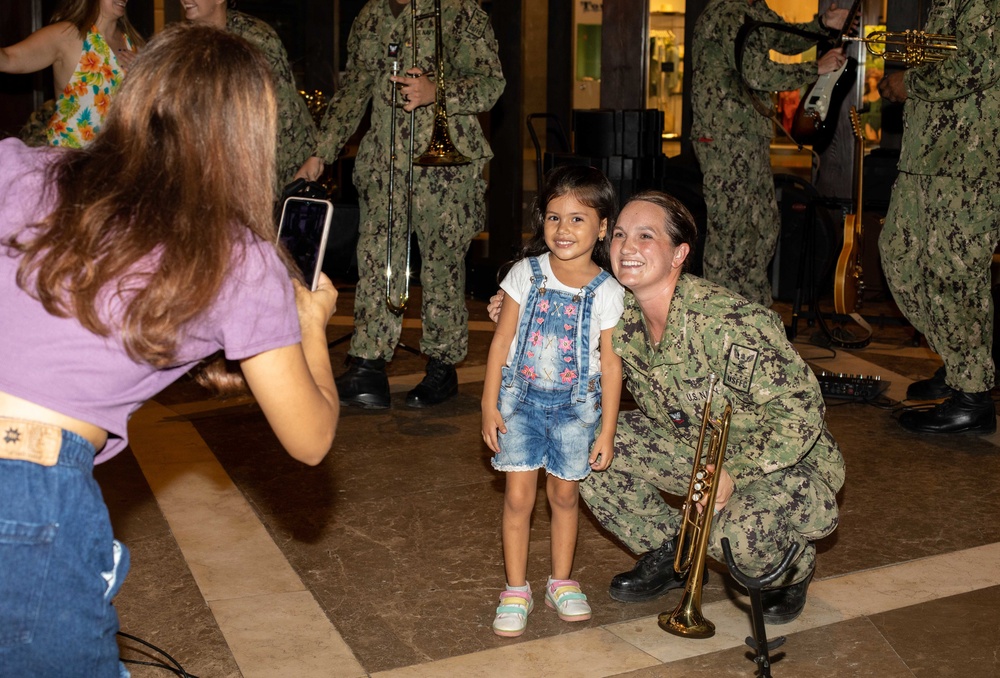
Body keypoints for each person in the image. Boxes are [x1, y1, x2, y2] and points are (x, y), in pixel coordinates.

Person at [0, 23, 339, 675]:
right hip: (29, 497)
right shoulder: (239, 260)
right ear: (249, 139)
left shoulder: (23, 166)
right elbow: (310, 438)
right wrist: (313, 326)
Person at [489, 191, 844, 624]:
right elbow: (563, 308)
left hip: (781, 462)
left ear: (679, 254)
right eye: (619, 235)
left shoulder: (726, 322)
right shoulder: (622, 313)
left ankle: (790, 569)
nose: (627, 247)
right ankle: (672, 553)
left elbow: (800, 409)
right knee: (588, 446)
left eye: (645, 236)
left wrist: (735, 472)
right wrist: (513, 307)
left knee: (737, 537)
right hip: (693, 447)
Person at [296, 0, 505, 410]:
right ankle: (368, 366)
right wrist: (322, 152)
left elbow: (490, 84)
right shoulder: (373, 14)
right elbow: (355, 86)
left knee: (441, 265)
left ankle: (442, 364)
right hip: (384, 163)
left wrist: (436, 90)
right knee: (377, 258)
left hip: (446, 166)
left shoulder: (461, 11)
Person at [482, 166, 624, 638]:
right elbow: (501, 342)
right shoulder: (526, 274)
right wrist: (488, 404)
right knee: (518, 498)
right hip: (519, 404)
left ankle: (561, 581)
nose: (563, 230)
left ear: (603, 226)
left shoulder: (608, 290)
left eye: (578, 219)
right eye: (553, 217)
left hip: (576, 411)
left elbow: (610, 365)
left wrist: (606, 428)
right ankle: (515, 588)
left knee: (565, 496)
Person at [877, 0, 1000, 435]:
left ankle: (973, 397)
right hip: (924, 157)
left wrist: (910, 83)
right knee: (898, 257)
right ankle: (962, 359)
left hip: (969, 162)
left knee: (953, 274)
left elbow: (979, 63)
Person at [690, 0, 852, 306]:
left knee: (760, 228)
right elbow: (758, 74)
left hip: (744, 135)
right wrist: (815, 68)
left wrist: (823, 25)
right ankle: (719, 318)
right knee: (732, 235)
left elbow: (779, 38)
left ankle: (752, 316)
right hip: (727, 136)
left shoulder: (750, 8)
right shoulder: (730, 11)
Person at [180, 0, 319, 190]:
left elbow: (282, 113)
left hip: (268, 168)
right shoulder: (181, 42)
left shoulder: (255, 39)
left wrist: (281, 185)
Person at [0, 0, 143, 148]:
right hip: (69, 158)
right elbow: (8, 59)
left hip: (115, 160)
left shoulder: (133, 44)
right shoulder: (67, 36)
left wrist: (145, 74)